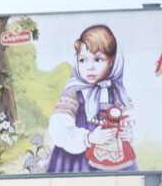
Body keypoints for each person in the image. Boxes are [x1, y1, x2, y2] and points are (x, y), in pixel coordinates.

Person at [47, 24, 138, 173]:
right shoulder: (74, 92)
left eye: (97, 60)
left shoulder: (117, 92)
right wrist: (88, 138)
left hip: (114, 159)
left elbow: (132, 118)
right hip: (76, 160)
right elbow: (59, 127)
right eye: (82, 60)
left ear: (111, 61)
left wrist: (129, 133)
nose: (89, 67)